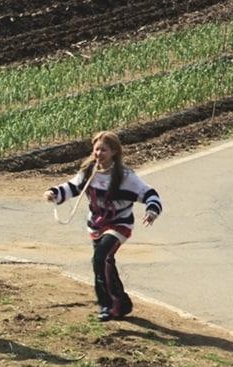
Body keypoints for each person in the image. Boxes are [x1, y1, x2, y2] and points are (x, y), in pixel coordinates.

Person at [45, 131, 161, 322]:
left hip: (119, 225)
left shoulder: (125, 176)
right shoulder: (89, 172)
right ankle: (122, 303)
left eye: (104, 150)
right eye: (97, 149)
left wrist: (152, 211)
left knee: (100, 258)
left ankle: (107, 304)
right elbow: (72, 187)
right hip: (96, 225)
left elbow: (150, 194)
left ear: (114, 152)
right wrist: (53, 193)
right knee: (106, 263)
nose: (99, 154)